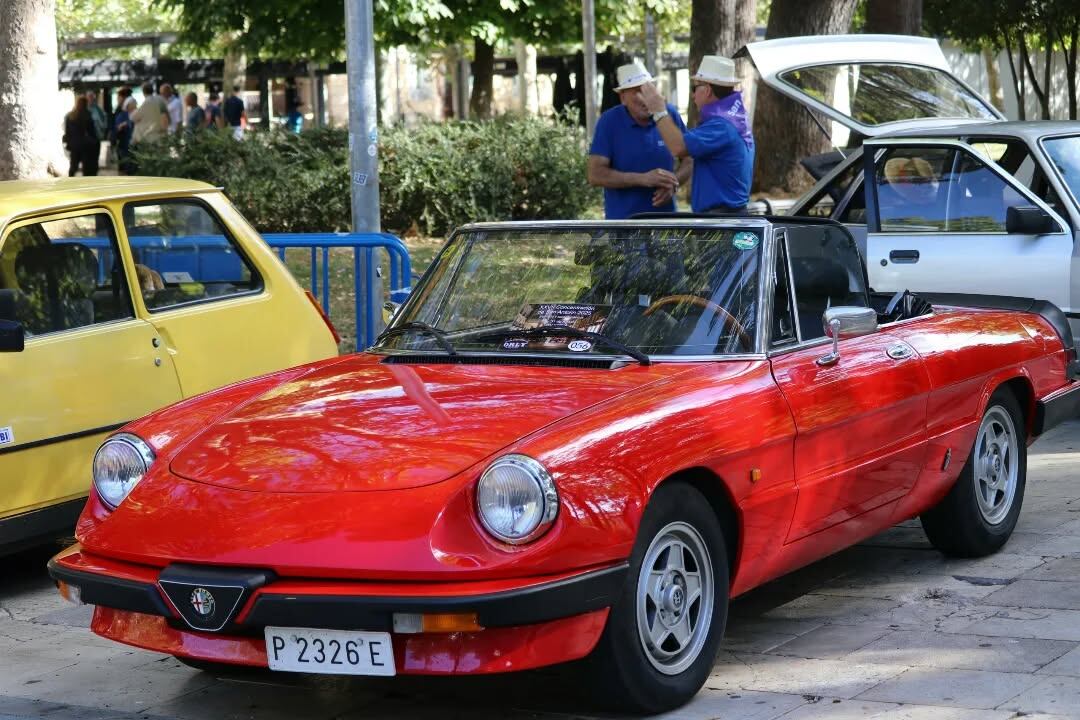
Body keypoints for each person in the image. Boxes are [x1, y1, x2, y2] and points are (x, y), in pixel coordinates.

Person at [640, 55, 755, 214]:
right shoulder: (731, 119)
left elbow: (678, 147)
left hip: (721, 219)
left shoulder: (721, 127)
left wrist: (658, 110)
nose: (693, 95)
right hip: (726, 216)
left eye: (694, 88)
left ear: (707, 90)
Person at [587, 61, 691, 219]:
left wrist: (673, 183)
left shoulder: (668, 114)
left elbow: (689, 160)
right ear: (623, 97)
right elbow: (595, 175)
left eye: (648, 90)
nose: (645, 98)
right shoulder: (609, 121)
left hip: (666, 222)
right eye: (637, 91)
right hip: (623, 224)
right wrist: (643, 179)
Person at [63, 95, 98, 176]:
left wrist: (69, 143)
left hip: (74, 145)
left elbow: (67, 132)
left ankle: (70, 180)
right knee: (86, 169)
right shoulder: (87, 115)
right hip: (85, 146)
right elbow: (91, 131)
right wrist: (94, 142)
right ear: (86, 104)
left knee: (73, 167)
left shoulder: (70, 115)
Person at [131, 82, 168, 147]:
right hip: (160, 135)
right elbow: (166, 117)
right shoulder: (160, 100)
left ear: (143, 92)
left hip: (149, 137)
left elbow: (133, 117)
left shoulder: (146, 103)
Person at [113, 96, 137, 174]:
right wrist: (122, 125)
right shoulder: (122, 115)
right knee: (126, 166)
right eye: (133, 105)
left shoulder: (137, 114)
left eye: (135, 104)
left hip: (135, 144)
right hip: (124, 145)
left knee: (134, 166)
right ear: (128, 105)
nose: (134, 106)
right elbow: (116, 128)